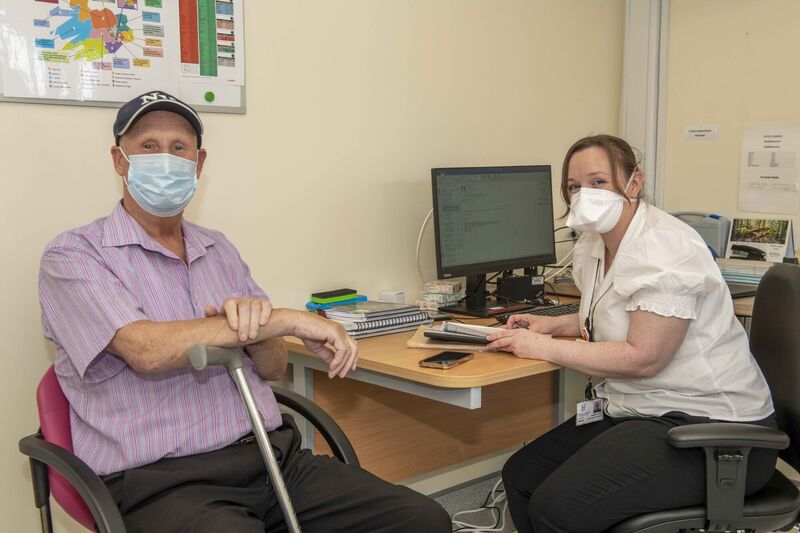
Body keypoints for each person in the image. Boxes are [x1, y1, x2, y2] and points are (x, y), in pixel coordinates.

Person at [38, 90, 451, 533]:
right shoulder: (75, 254)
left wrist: (258, 330)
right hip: (162, 482)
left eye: (179, 148)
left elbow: (273, 366)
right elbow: (145, 350)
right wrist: (289, 318)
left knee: (422, 520)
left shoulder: (218, 249)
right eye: (148, 146)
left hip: (269, 458)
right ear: (120, 160)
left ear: (198, 164)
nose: (165, 158)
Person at [486, 134, 777, 533]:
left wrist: (540, 347)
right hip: (638, 410)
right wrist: (554, 324)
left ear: (634, 184)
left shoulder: (664, 246)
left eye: (598, 182)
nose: (584, 194)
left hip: (714, 430)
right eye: (574, 187)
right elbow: (618, 313)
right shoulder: (592, 246)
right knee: (522, 477)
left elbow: (645, 356)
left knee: (558, 508)